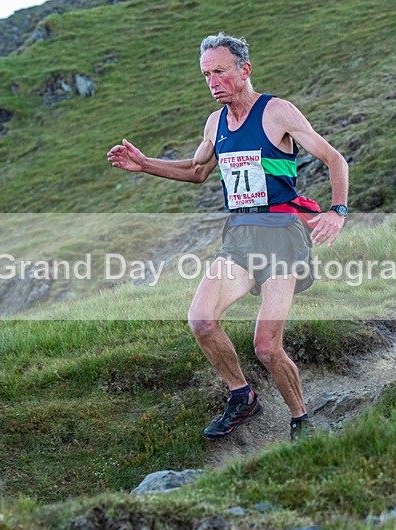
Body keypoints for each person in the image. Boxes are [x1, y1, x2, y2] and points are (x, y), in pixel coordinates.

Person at [107, 33, 348, 441]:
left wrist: (337, 211)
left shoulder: (277, 112)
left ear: (244, 70)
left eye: (219, 72)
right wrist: (145, 164)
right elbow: (197, 171)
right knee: (201, 320)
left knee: (267, 347)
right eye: (206, 75)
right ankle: (242, 396)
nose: (212, 82)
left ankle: (301, 419)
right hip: (240, 237)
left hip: (282, 238)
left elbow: (334, 159)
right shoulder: (215, 123)